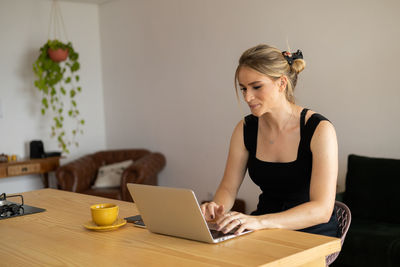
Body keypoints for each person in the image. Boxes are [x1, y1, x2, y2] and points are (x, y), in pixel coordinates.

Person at [200, 44, 339, 237]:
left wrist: (259, 221)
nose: (248, 97)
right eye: (243, 89)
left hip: (311, 233)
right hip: (262, 227)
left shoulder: (320, 130)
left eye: (256, 87)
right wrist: (215, 208)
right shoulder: (245, 129)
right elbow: (228, 188)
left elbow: (321, 210)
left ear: (282, 83)